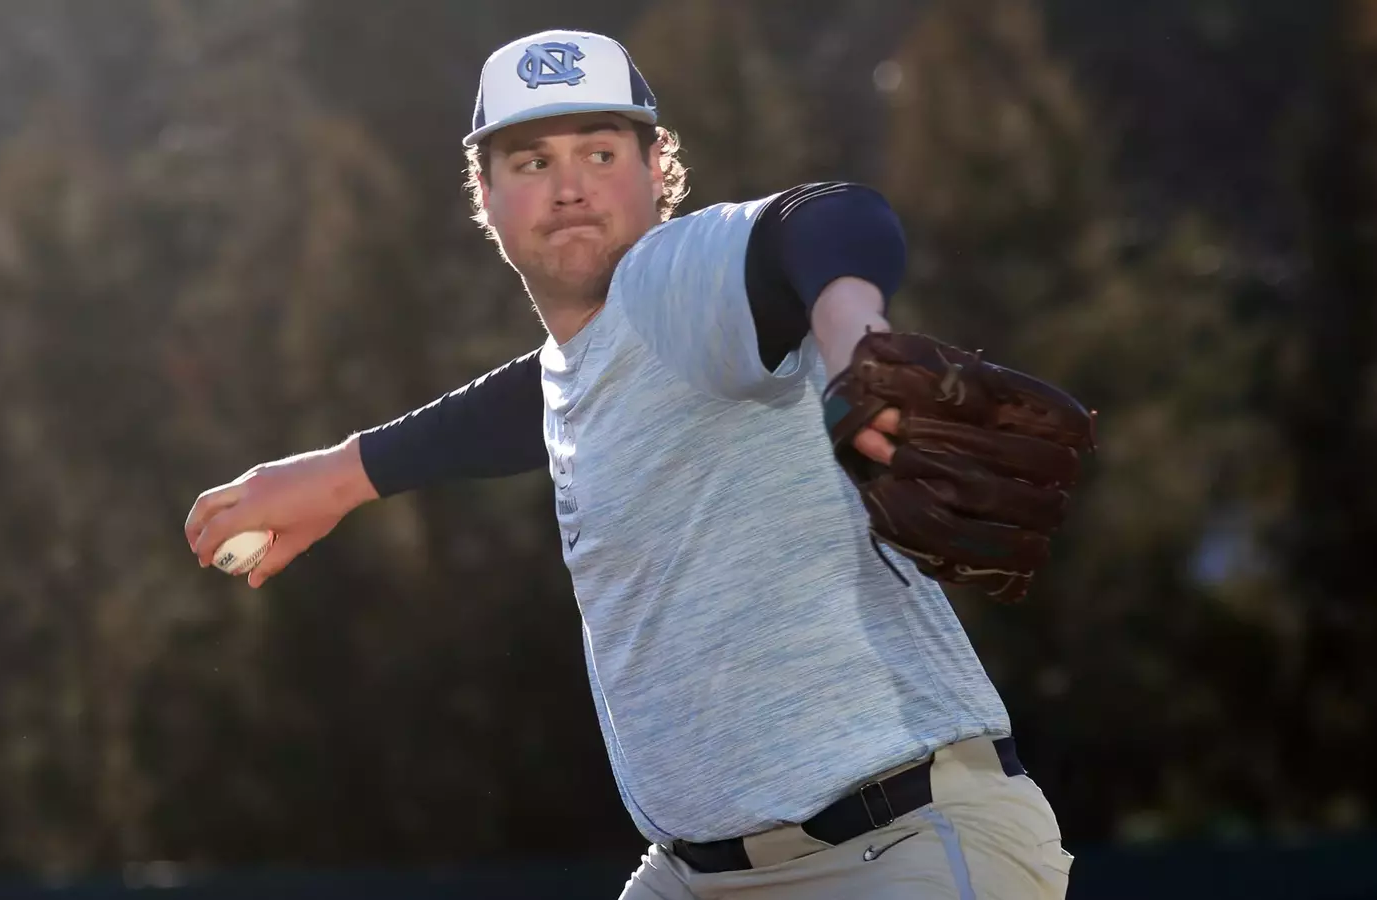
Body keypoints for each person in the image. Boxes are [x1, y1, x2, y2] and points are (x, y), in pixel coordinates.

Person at [185, 28, 1075, 900]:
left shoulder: (675, 279)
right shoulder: (587, 364)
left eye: (601, 153)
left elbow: (827, 217)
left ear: (658, 175)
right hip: (699, 871)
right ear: (485, 198)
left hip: (891, 848)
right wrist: (344, 475)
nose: (570, 188)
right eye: (532, 163)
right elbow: (522, 403)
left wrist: (854, 340)